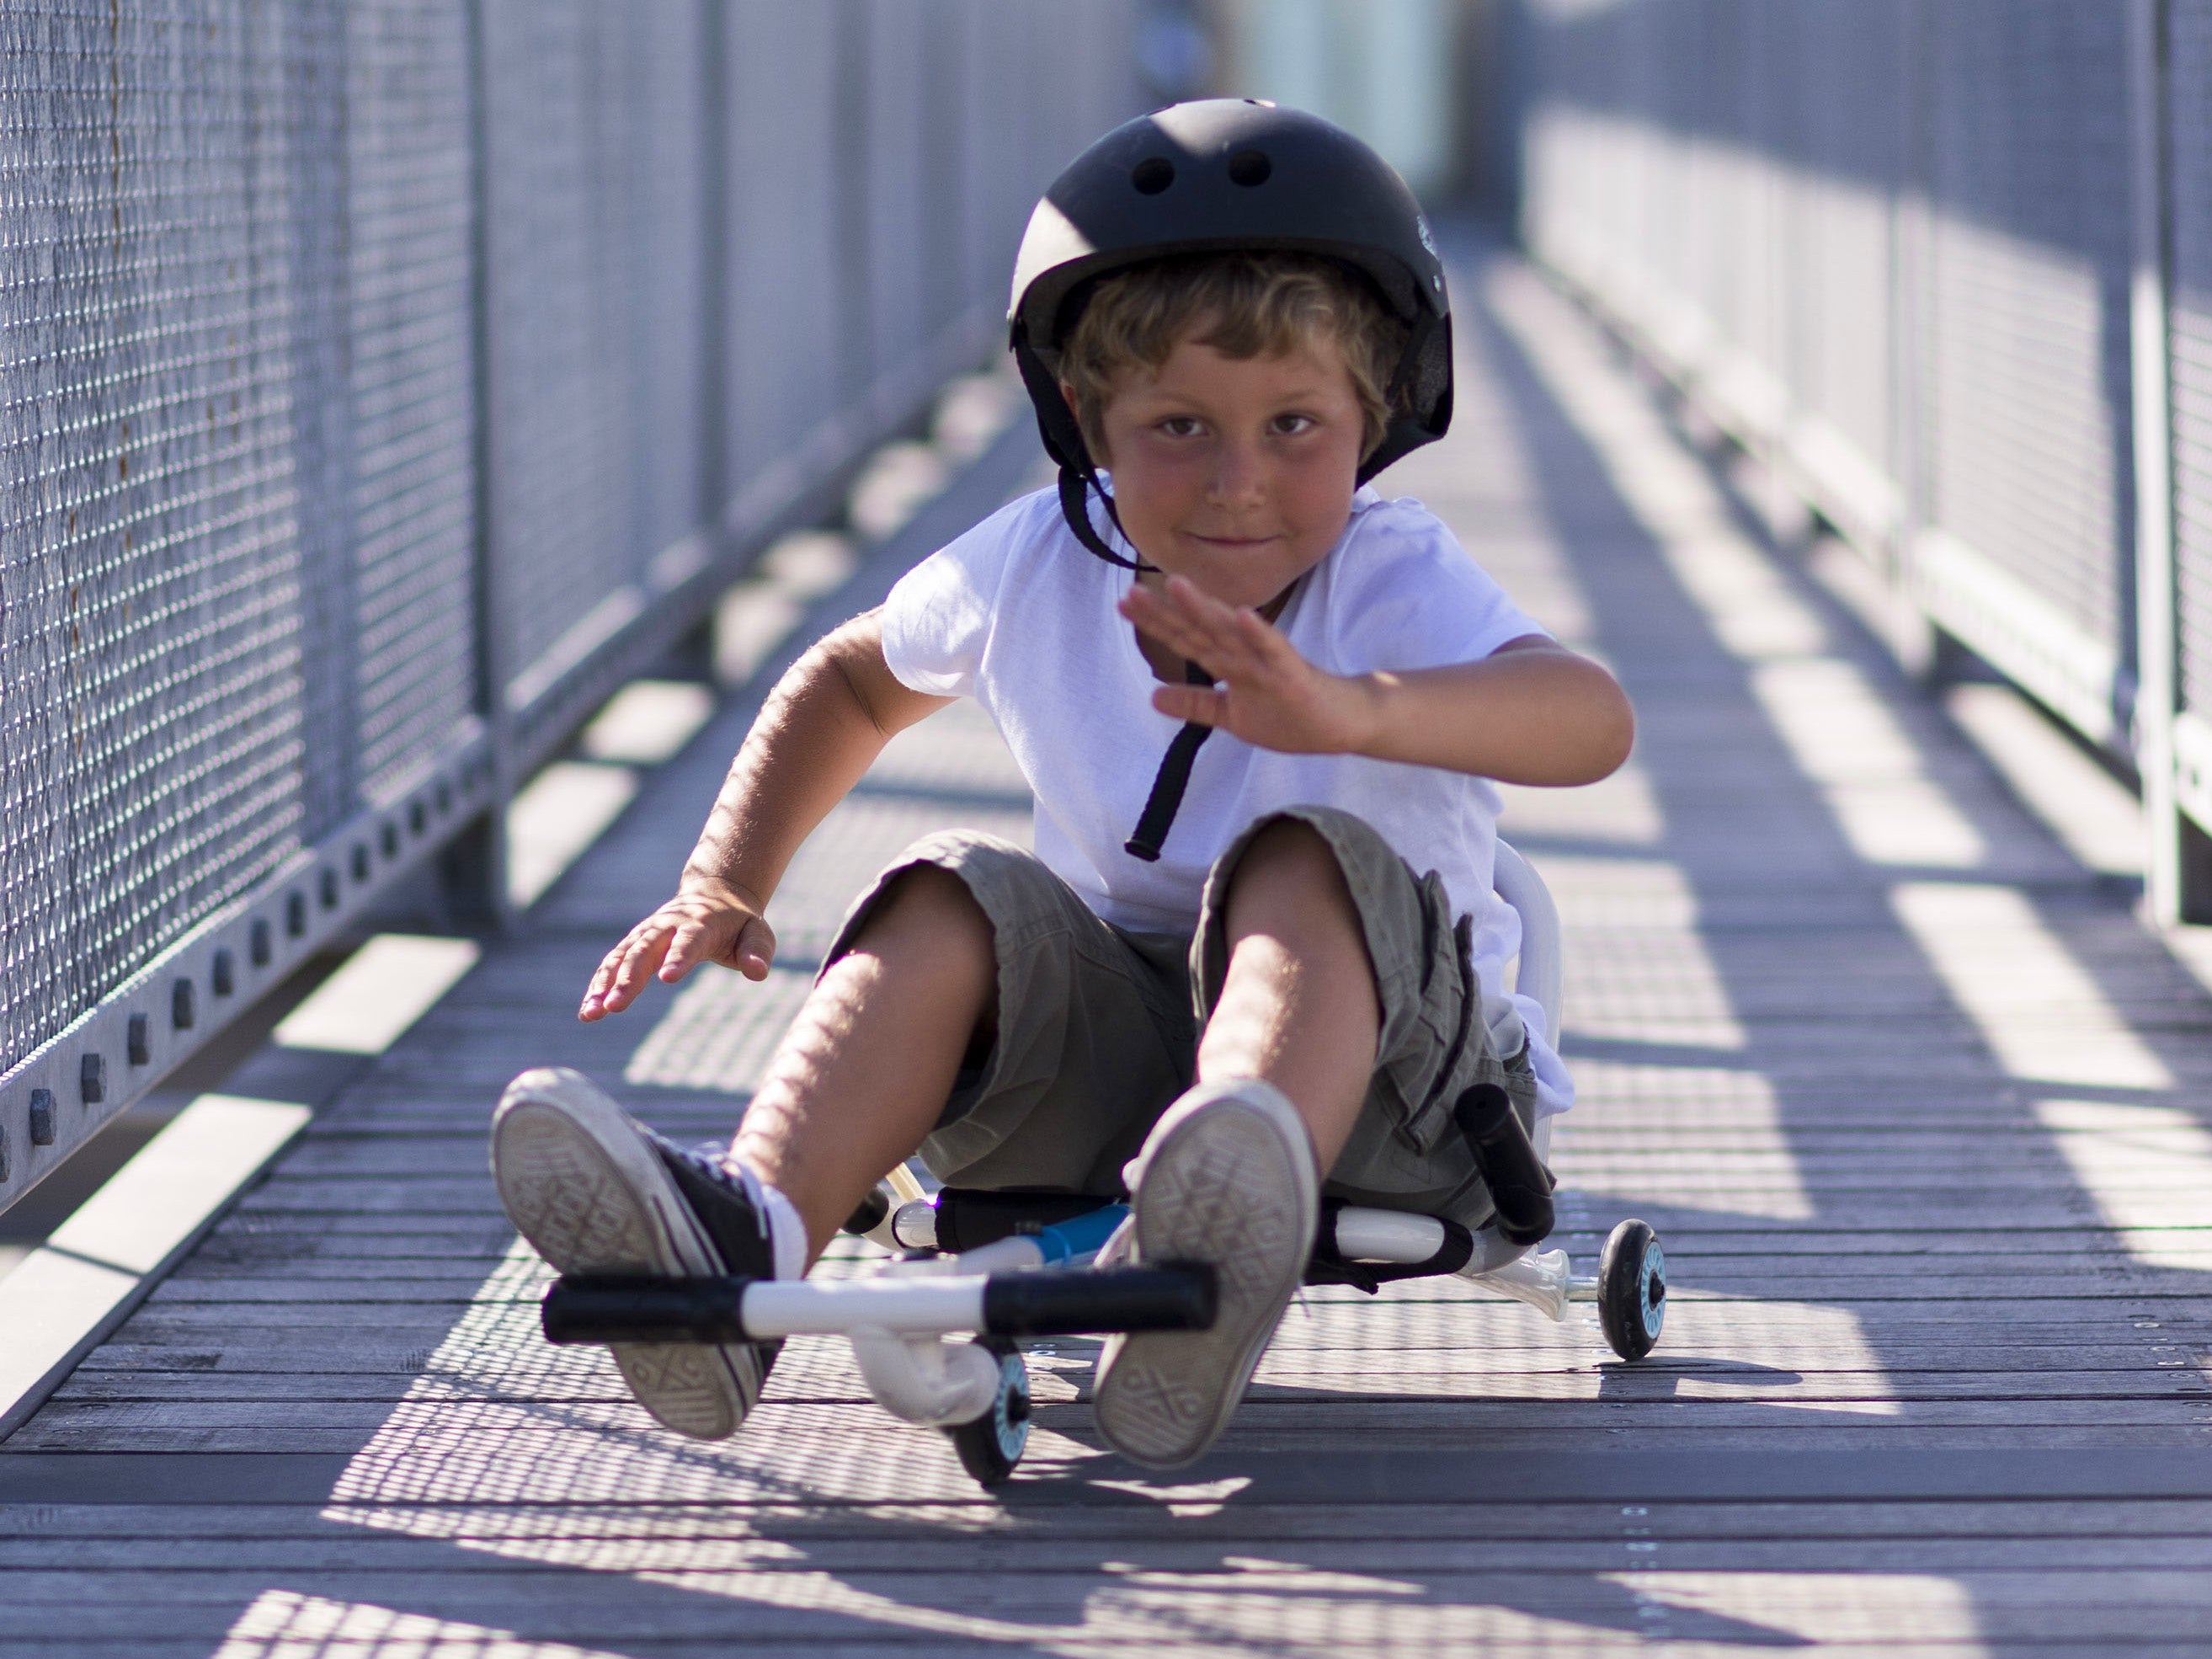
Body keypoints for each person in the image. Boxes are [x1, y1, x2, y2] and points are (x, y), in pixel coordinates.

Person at [488, 101, 1633, 1470]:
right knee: (950, 891)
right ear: (1087, 413)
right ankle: (748, 1238)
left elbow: (1591, 721)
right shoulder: (1038, 555)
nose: (1238, 482)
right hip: (1120, 1082)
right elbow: (853, 679)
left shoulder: (1392, 573)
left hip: (1397, 1098)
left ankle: (1219, 1230)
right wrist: (723, 878)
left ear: (1374, 411)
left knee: (1297, 855)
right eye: (1179, 426)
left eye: (1292, 423)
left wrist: (1351, 707)